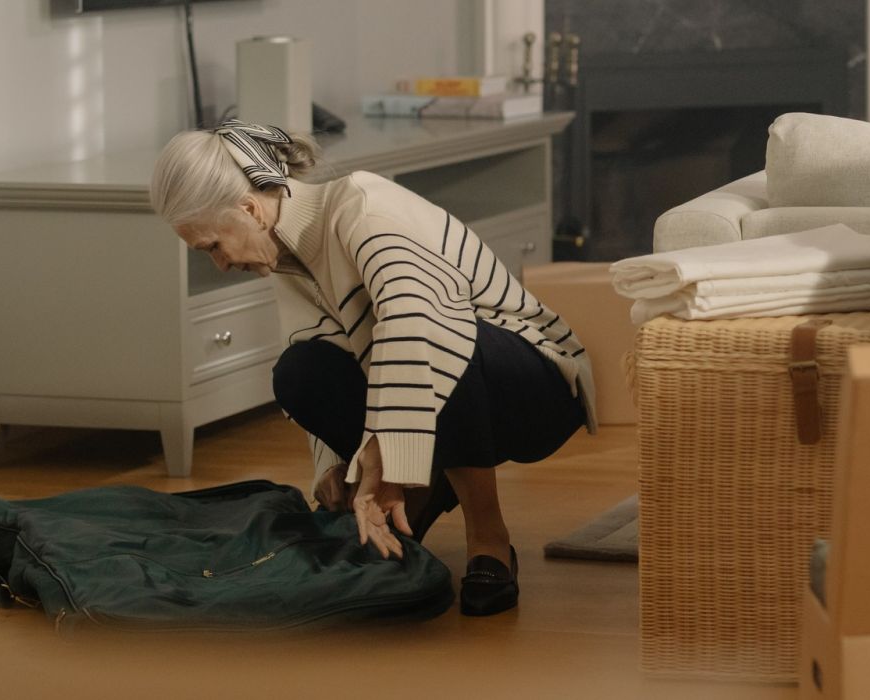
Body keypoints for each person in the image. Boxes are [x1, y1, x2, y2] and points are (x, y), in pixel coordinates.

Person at [150, 120, 598, 617]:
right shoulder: (286, 256)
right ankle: (417, 493)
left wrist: (383, 462)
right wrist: (334, 467)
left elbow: (418, 320)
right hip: (443, 380)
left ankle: (487, 533)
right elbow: (319, 345)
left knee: (431, 333)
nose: (220, 262)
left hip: (535, 381)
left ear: (249, 209)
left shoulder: (361, 204)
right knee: (298, 371)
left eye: (213, 246)